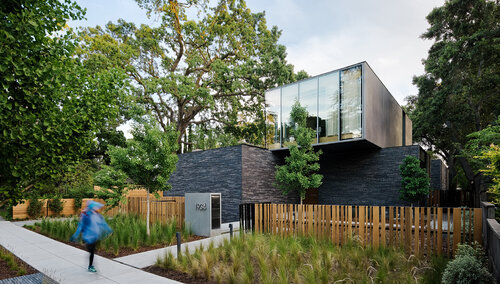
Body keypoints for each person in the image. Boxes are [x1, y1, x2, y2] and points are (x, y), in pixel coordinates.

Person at [70, 201, 112, 273]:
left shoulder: (98, 215)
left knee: (92, 251)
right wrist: (75, 235)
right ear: (91, 207)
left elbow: (103, 224)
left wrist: (109, 230)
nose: (97, 208)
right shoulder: (86, 216)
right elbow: (80, 226)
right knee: (91, 251)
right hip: (88, 237)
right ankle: (90, 266)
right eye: (95, 207)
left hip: (95, 236)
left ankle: (90, 264)